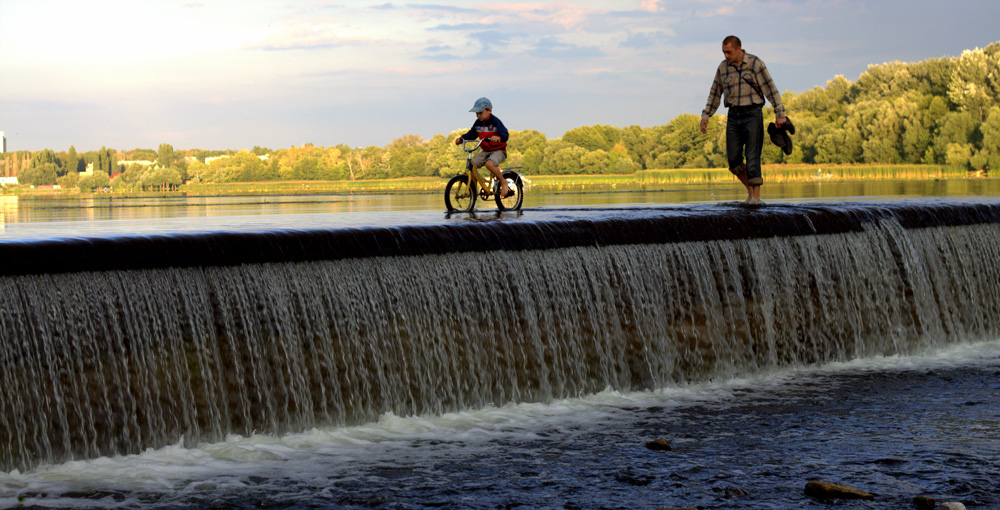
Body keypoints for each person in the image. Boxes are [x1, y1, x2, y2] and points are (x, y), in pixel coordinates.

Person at [700, 35, 787, 205]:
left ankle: (755, 198)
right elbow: (715, 93)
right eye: (723, 52)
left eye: (729, 52)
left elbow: (771, 89)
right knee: (733, 160)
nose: (726, 55)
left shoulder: (755, 64)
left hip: (753, 114)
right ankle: (750, 192)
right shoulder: (723, 68)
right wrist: (706, 116)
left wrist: (780, 113)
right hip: (733, 115)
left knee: (752, 156)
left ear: (739, 49)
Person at [455, 97, 512, 198]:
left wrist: (499, 137)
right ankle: (473, 191)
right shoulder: (478, 123)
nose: (478, 115)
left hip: (498, 150)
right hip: (486, 150)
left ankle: (503, 182)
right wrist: (462, 139)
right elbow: (472, 134)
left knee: (489, 164)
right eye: (476, 113)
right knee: (471, 165)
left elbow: (505, 134)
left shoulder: (495, 121)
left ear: (489, 110)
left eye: (480, 112)